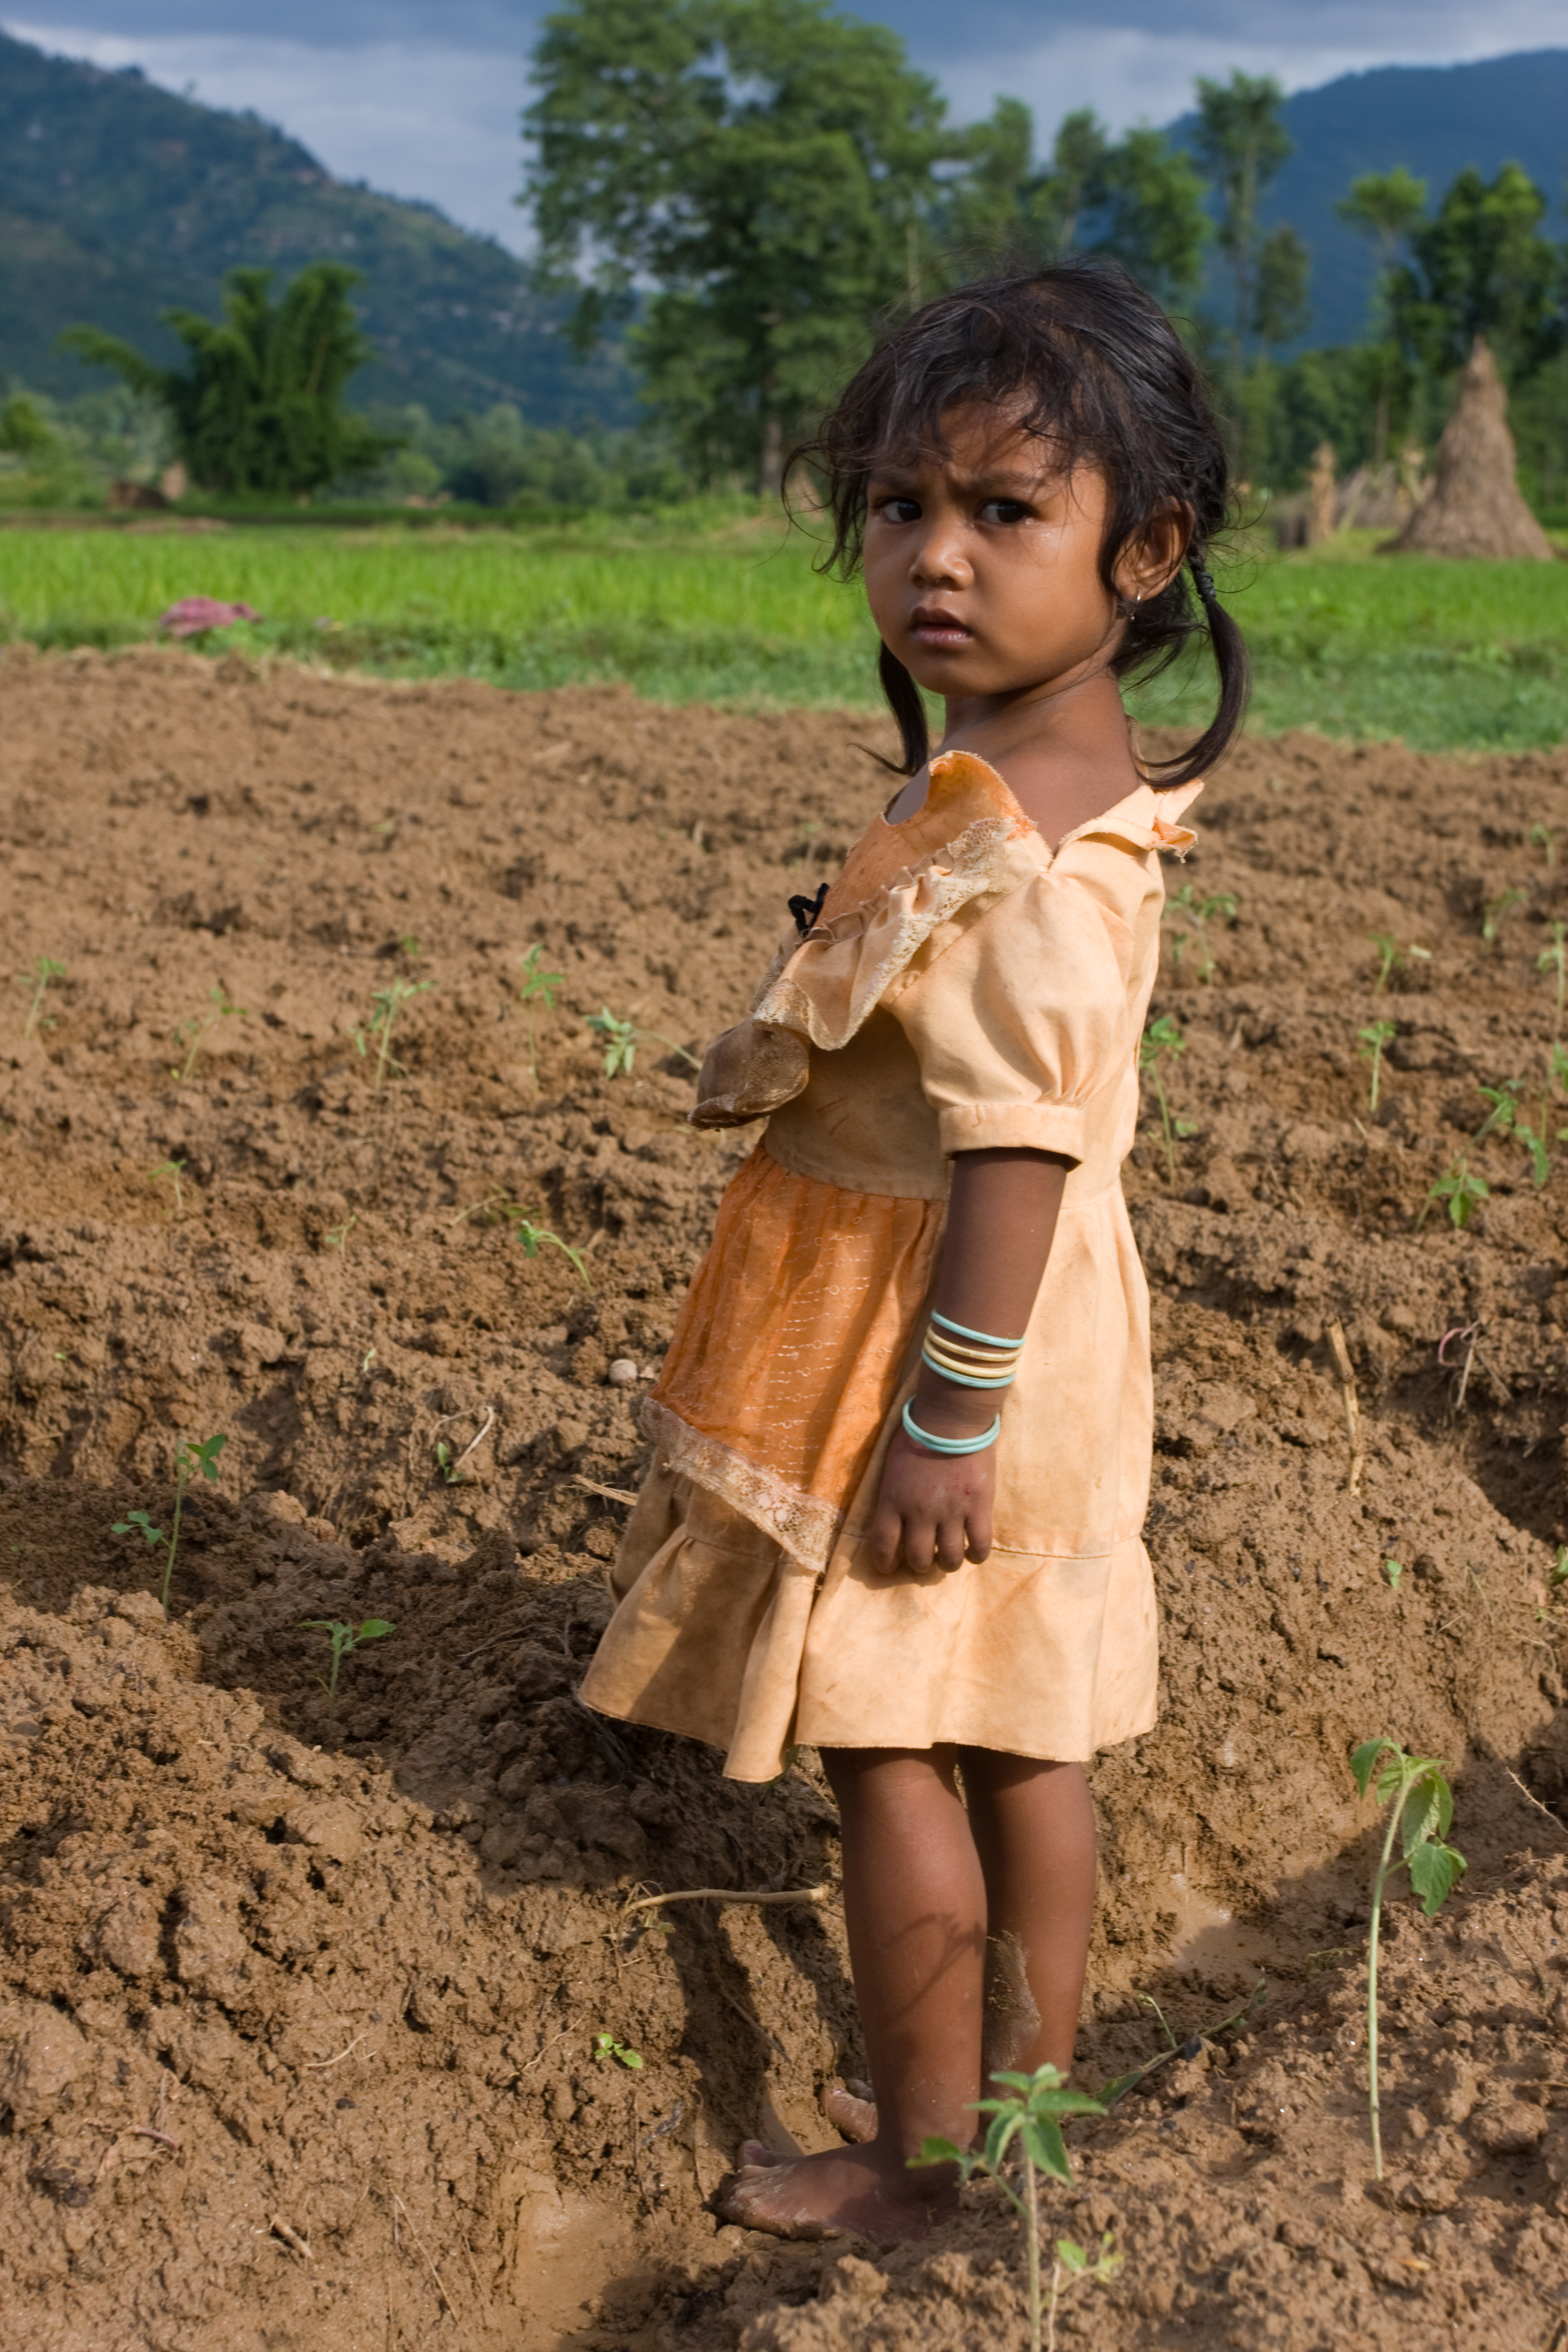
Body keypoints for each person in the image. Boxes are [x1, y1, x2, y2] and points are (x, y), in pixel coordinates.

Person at [580, 257, 1249, 2240]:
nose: (934, 558)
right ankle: (1019, 2122)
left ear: (1149, 553)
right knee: (1025, 1740)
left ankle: (924, 2165)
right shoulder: (1057, 784)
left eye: (1004, 512)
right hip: (1034, 1338)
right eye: (900, 506)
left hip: (953, 1344)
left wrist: (942, 1426)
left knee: (889, 1754)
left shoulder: (1024, 860)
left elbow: (1016, 1159)